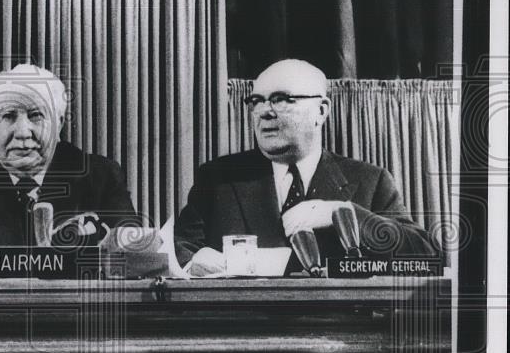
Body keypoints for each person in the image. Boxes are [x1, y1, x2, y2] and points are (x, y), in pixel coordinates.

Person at [173, 59, 435, 275]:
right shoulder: (218, 179)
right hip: (242, 329)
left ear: (321, 111)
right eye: (256, 101)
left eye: (281, 99)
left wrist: (341, 212)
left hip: (340, 330)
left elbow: (424, 255)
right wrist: (192, 262)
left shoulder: (370, 181)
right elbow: (178, 248)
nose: (264, 111)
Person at [0, 64, 139, 249]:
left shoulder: (100, 177)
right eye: (8, 116)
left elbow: (133, 257)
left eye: (36, 115)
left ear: (59, 124)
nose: (22, 132)